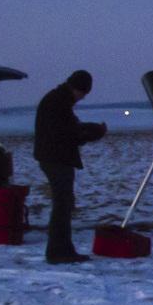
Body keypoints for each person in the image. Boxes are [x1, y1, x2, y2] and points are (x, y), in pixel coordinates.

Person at [33, 70, 107, 264]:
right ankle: (58, 252)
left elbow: (70, 129)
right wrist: (92, 133)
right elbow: (68, 134)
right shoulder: (57, 102)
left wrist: (89, 130)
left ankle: (63, 249)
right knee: (62, 205)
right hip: (56, 159)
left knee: (64, 204)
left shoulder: (58, 100)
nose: (83, 97)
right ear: (77, 88)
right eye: (83, 93)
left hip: (54, 158)